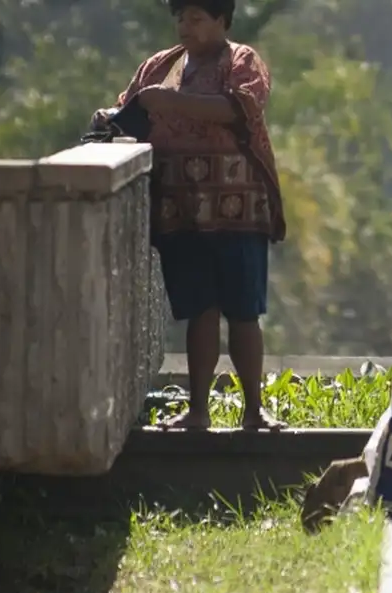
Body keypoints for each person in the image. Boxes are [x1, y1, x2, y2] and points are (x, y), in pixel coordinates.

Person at [96, 0, 285, 431]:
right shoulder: (159, 67)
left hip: (238, 206)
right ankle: (197, 411)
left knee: (242, 313)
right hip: (182, 209)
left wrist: (173, 102)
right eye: (181, 17)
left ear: (222, 21)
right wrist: (110, 119)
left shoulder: (242, 61)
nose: (186, 26)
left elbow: (239, 108)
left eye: (197, 18)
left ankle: (254, 411)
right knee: (200, 310)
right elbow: (131, 112)